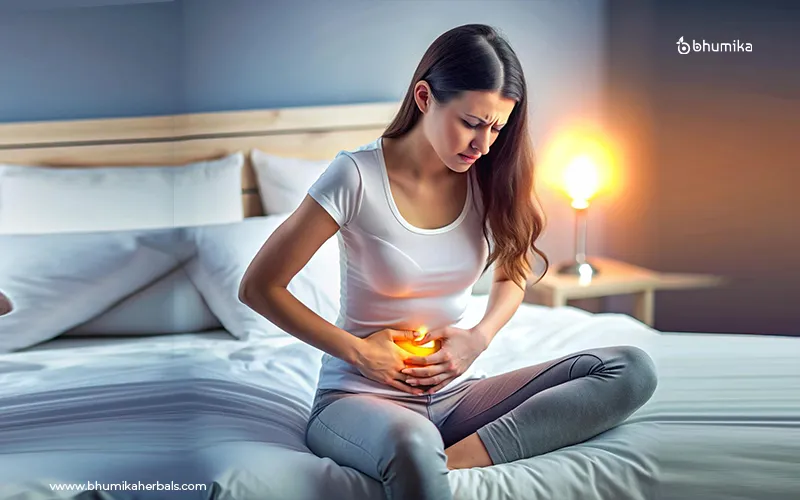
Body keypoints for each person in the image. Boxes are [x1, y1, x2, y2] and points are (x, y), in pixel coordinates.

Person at [239, 23, 657, 500]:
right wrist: (358, 352)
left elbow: (513, 270)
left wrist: (478, 338)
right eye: (472, 122)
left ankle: (451, 460)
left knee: (631, 368)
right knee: (412, 441)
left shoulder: (488, 176)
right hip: (358, 397)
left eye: (497, 127)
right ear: (424, 97)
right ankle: (425, 456)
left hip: (455, 395)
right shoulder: (355, 175)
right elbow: (259, 286)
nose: (483, 143)